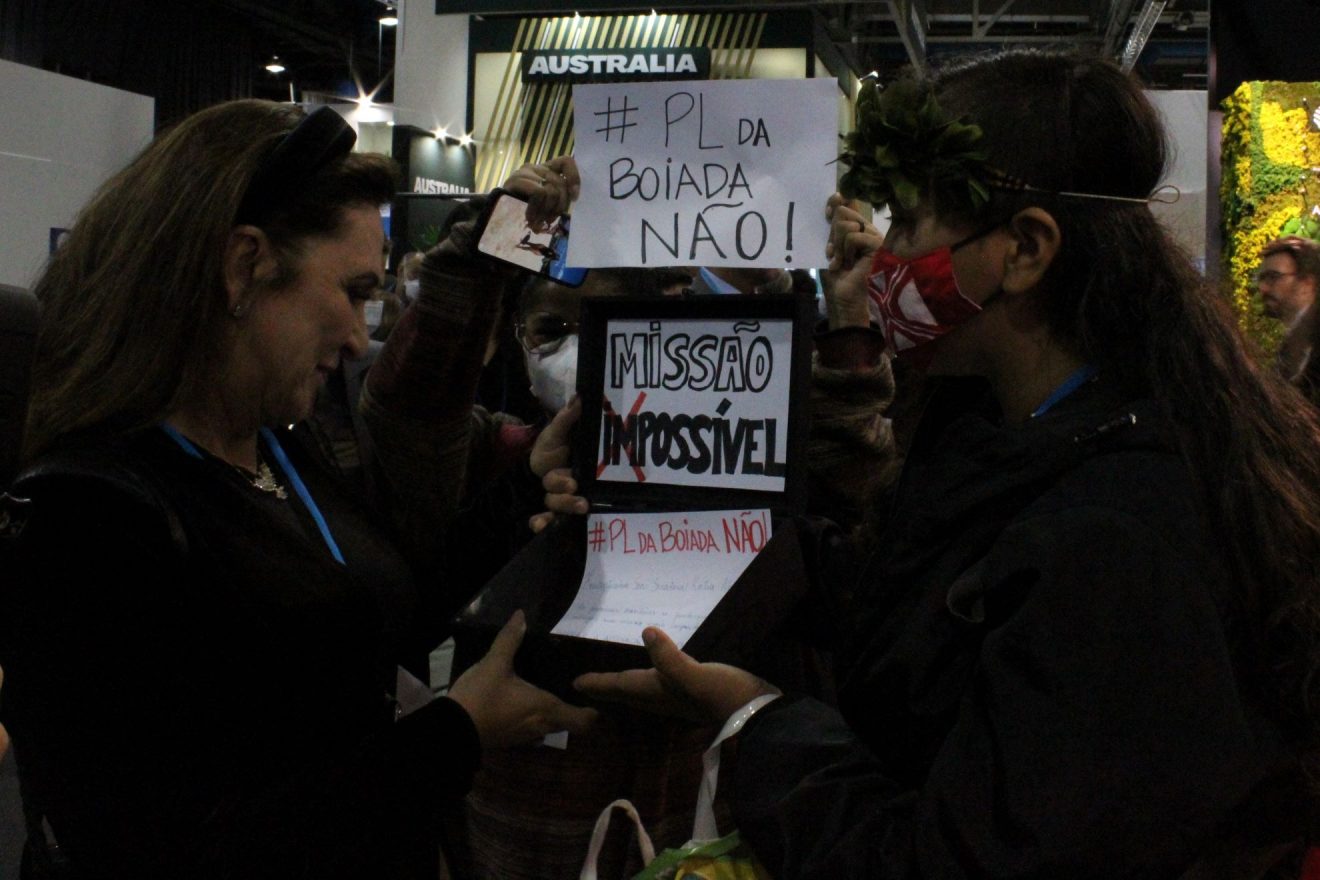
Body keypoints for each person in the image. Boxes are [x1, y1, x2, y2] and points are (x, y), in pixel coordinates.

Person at [574, 49, 1320, 877]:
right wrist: (676, 530)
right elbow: (899, 601)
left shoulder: (1118, 536)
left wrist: (756, 722)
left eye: (908, 222)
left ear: (1025, 249)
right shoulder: (995, 428)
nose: (884, 255)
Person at [0, 101, 593, 879]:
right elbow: (169, 846)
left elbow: (369, 612)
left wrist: (521, 486)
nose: (358, 336)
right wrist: (455, 736)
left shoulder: (278, 440)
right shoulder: (91, 515)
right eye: (352, 292)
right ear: (244, 266)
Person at [1258, 235, 1320, 383]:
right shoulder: (1292, 343)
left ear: (1307, 284)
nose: (1262, 288)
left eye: (1273, 277)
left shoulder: (1309, 339)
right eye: (1261, 279)